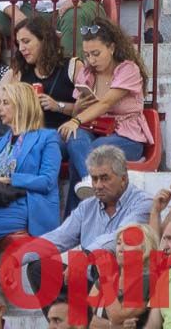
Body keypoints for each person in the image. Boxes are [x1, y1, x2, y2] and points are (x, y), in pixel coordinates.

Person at [61, 16, 152, 208]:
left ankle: (81, 196)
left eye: (96, 53)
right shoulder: (87, 72)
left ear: (111, 48)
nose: (91, 60)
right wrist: (78, 109)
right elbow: (77, 111)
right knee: (75, 138)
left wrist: (76, 120)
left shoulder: (128, 69)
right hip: (95, 129)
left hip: (127, 136)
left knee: (96, 150)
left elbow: (106, 103)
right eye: (87, 55)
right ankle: (88, 179)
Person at [0, 81, 60, 243]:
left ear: (22, 105)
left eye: (6, 103)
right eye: (0, 103)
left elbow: (47, 181)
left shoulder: (47, 138)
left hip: (24, 205)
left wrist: (10, 179)